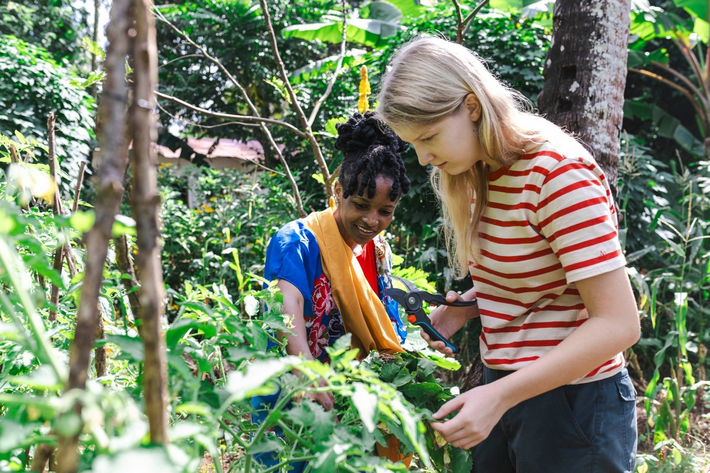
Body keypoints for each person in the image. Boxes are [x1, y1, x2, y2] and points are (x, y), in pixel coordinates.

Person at [377, 36, 640, 473]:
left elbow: (618, 323)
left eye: (429, 138)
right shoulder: (485, 172)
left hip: (574, 406)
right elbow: (543, 279)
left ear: (472, 107)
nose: (423, 159)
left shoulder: (557, 173)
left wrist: (498, 396)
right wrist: (469, 306)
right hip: (509, 391)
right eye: (414, 145)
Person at [250, 111, 411, 470]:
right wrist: (308, 370)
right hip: (295, 399)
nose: (372, 220)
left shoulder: (378, 250)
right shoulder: (297, 242)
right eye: (361, 205)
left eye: (385, 210)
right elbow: (285, 303)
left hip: (352, 406)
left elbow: (384, 317)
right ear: (338, 191)